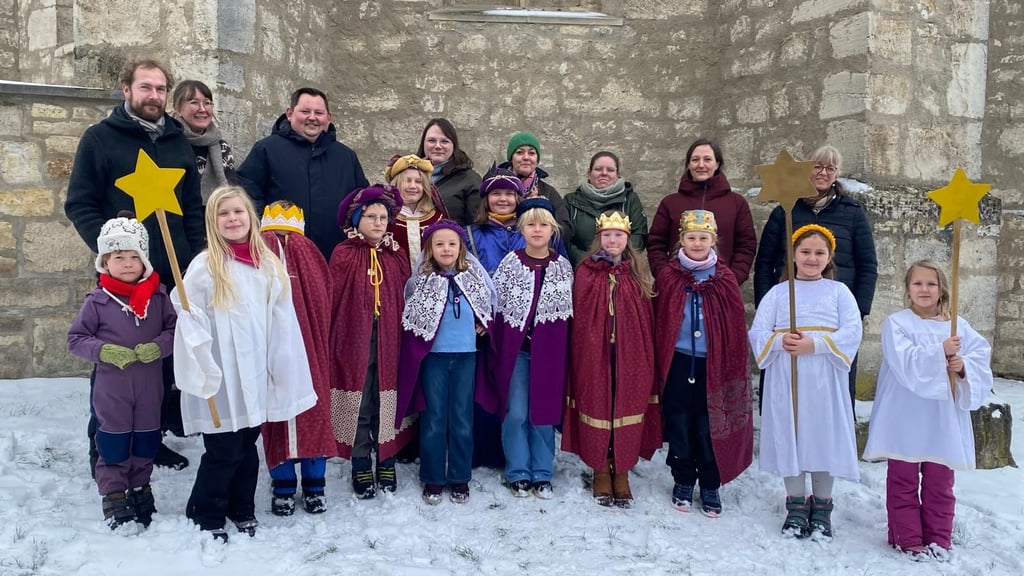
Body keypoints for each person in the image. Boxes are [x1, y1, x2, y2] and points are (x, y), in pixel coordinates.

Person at [65, 58, 202, 474]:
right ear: (126, 89)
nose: (154, 96)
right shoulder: (100, 139)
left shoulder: (178, 142)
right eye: (146, 88)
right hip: (120, 282)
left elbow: (193, 209)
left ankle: (151, 438)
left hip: (168, 275)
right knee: (115, 366)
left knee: (159, 363)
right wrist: (111, 251)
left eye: (160, 89)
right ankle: (103, 448)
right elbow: (79, 203)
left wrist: (194, 261)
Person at [172, 186, 316, 542]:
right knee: (223, 447)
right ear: (213, 222)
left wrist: (282, 364)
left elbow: (281, 318)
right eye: (223, 214)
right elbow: (187, 308)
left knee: (248, 442)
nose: (232, 219)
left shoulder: (267, 265)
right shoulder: (205, 267)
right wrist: (191, 323)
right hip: (222, 374)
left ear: (250, 217)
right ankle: (206, 511)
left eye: (238, 212)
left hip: (254, 372)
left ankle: (241, 507)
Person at [863, 260, 992, 561]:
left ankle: (938, 537)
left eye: (931, 284)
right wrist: (940, 352)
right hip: (905, 413)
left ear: (942, 289)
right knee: (903, 478)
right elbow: (904, 361)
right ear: (908, 288)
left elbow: (979, 357)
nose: (924, 289)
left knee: (940, 481)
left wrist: (963, 368)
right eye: (918, 283)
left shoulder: (957, 326)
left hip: (942, 417)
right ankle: (906, 537)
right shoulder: (897, 323)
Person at [748, 224, 862, 540]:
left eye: (819, 253)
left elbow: (852, 331)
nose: (812, 258)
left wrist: (816, 345)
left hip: (825, 377)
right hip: (788, 376)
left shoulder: (839, 293)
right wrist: (779, 342)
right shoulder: (779, 293)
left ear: (830, 257)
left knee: (823, 436)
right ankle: (796, 505)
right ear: (794, 255)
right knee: (791, 433)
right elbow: (758, 332)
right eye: (805, 252)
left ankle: (822, 506)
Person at [67, 216, 176, 530]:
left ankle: (140, 486)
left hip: (149, 386)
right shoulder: (98, 301)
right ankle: (114, 492)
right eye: (119, 257)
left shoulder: (158, 298)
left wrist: (159, 346)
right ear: (105, 262)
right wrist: (103, 350)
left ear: (144, 261)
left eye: (134, 257)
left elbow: (175, 329)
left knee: (145, 437)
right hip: (112, 388)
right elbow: (76, 339)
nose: (127, 263)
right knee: (114, 439)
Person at [753, 145, 878, 412]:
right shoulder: (784, 211)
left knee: (833, 397)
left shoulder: (852, 213)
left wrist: (857, 310)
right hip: (790, 312)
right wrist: (769, 305)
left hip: (833, 315)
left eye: (830, 168)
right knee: (788, 394)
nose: (823, 173)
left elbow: (867, 265)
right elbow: (765, 263)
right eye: (817, 166)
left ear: (837, 174)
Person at [655, 210, 752, 517]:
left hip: (714, 364)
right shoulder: (669, 276)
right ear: (681, 240)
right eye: (691, 237)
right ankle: (683, 478)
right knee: (680, 421)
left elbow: (734, 329)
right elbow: (660, 320)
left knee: (708, 425)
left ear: (714, 241)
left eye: (703, 238)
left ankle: (710, 482)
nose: (697, 243)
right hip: (678, 362)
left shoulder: (723, 280)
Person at [561, 210, 660, 508]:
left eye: (618, 236)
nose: (613, 240)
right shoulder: (586, 272)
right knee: (598, 404)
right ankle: (601, 468)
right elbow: (580, 318)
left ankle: (623, 469)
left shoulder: (637, 273)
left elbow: (645, 319)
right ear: (599, 240)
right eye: (607, 236)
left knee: (626, 404)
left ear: (627, 240)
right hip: (594, 354)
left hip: (630, 355)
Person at [397, 221, 496, 505]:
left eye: (452, 243)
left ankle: (460, 476)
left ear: (461, 247)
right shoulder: (422, 281)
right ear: (430, 249)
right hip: (434, 359)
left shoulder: (471, 278)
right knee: (434, 418)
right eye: (439, 244)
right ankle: (432, 476)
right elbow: (413, 319)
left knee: (462, 418)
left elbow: (487, 306)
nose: (446, 249)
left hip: (466, 356)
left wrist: (483, 323)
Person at [480, 197, 573, 499]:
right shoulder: (511, 263)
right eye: (531, 224)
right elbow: (498, 306)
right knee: (517, 411)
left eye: (543, 225)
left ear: (552, 230)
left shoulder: (562, 267)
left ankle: (542, 472)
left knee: (543, 413)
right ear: (521, 228)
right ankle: (518, 470)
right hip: (517, 351)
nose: (537, 230)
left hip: (549, 352)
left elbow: (568, 314)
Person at [329, 185, 414, 499]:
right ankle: (360, 456)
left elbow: (406, 295)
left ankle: (386, 455)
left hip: (390, 336)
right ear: (356, 219)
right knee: (362, 397)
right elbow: (334, 299)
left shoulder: (395, 255)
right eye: (371, 217)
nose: (379, 223)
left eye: (383, 217)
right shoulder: (344, 254)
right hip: (354, 336)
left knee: (386, 396)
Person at [259, 202, 338, 516]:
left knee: (312, 414)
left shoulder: (308, 252)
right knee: (276, 418)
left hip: (309, 350)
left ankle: (315, 484)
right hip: (271, 349)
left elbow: (322, 296)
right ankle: (283, 484)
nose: (282, 243)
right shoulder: (260, 253)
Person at [237, 87, 369, 260]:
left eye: (319, 113)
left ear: (328, 118)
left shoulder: (346, 156)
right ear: (290, 113)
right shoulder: (266, 149)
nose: (312, 118)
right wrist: (268, 229)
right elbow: (247, 193)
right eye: (305, 111)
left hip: (336, 256)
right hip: (282, 255)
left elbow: (362, 199)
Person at [646, 138, 756, 283]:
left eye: (707, 159)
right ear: (689, 164)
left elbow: (746, 245)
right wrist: (665, 276)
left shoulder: (736, 203)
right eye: (695, 159)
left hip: (721, 286)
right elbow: (656, 244)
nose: (701, 165)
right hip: (676, 286)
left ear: (717, 164)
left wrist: (732, 278)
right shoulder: (670, 203)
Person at [563, 152, 649, 266]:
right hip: (581, 269)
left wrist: (616, 259)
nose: (604, 173)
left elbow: (639, 235)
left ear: (617, 174)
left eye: (610, 170)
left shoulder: (630, 200)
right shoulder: (571, 201)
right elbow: (564, 238)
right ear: (589, 174)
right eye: (598, 169)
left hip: (621, 270)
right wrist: (589, 262)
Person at [171, 79, 236, 210]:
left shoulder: (222, 147)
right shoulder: (169, 143)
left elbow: (232, 188)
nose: (202, 109)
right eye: (194, 102)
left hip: (215, 219)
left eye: (207, 103)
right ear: (178, 109)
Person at [497, 132, 573, 239]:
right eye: (520, 152)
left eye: (532, 153)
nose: (526, 157)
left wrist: (540, 209)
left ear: (537, 160)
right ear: (511, 158)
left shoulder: (548, 192)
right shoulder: (496, 188)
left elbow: (565, 229)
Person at [385, 154, 448, 268]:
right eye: (407, 181)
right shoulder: (385, 218)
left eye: (418, 181)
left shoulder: (437, 218)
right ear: (396, 185)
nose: (413, 186)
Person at [416, 118, 481, 226]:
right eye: (431, 140)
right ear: (423, 144)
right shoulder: (409, 176)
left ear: (453, 146)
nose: (438, 146)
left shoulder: (470, 180)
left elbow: (476, 227)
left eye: (444, 141)